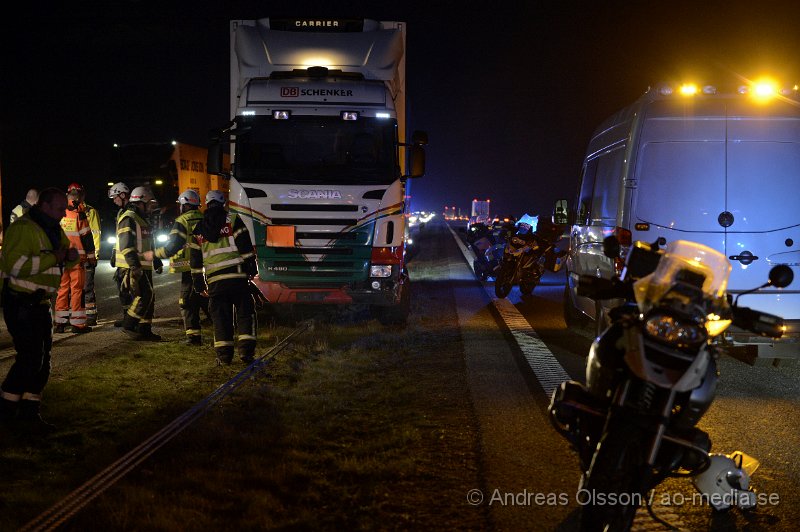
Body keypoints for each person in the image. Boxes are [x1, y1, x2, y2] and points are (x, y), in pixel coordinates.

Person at [0, 187, 78, 430]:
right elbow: (15, 266)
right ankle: (5, 411)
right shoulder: (24, 228)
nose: (63, 212)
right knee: (29, 360)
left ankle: (29, 414)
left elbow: (67, 255)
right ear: (43, 205)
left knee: (42, 363)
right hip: (21, 303)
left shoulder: (52, 228)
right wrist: (55, 257)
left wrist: (71, 256)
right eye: (59, 207)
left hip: (42, 304)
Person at [190, 190, 258, 365]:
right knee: (245, 313)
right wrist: (251, 269)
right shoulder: (233, 220)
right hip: (237, 278)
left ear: (206, 204)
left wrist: (199, 284)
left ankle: (224, 356)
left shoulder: (198, 229)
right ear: (223, 204)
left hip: (214, 281)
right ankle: (246, 353)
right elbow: (245, 247)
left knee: (220, 318)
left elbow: (195, 261)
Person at [154, 189, 208, 345]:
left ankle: (193, 337)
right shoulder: (203, 218)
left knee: (187, 302)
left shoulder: (182, 221)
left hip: (189, 269)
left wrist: (156, 254)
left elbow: (173, 246)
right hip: (205, 266)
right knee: (204, 299)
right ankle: (226, 330)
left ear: (185, 205)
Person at [116, 186, 162, 341]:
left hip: (143, 265)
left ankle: (144, 330)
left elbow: (148, 243)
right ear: (140, 202)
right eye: (148, 204)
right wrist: (135, 266)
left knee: (150, 297)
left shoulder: (142, 220)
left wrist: (156, 260)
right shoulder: (129, 218)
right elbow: (125, 245)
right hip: (131, 267)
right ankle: (129, 324)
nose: (150, 208)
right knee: (144, 295)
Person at [54, 185, 95, 333]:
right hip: (76, 258)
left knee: (62, 289)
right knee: (77, 290)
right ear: (79, 196)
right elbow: (87, 237)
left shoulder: (58, 212)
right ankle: (78, 324)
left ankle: (60, 323)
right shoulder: (79, 213)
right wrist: (92, 258)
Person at [71, 183, 102, 326]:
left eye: (79, 193)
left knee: (87, 286)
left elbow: (95, 234)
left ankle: (90, 316)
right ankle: (77, 315)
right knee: (74, 288)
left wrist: (94, 255)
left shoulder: (90, 212)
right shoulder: (67, 211)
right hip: (72, 257)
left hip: (86, 256)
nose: (76, 196)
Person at [108, 182, 133, 327]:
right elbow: (118, 235)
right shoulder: (121, 213)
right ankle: (127, 317)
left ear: (123, 195)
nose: (114, 200)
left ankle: (132, 320)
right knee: (123, 291)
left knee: (130, 291)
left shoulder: (131, 212)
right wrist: (113, 252)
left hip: (129, 259)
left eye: (115, 197)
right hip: (121, 260)